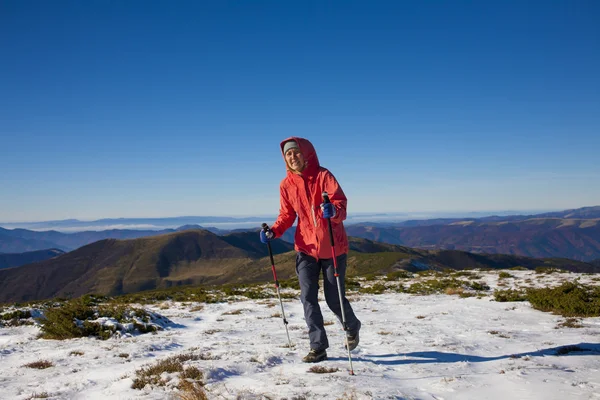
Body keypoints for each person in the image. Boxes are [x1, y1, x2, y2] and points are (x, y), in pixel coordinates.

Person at [260, 137, 361, 363]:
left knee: (334, 298)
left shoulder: (324, 176)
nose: (293, 157)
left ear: (306, 154)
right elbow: (287, 215)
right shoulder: (286, 185)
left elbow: (341, 206)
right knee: (308, 297)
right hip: (305, 248)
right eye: (288, 154)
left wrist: (333, 211)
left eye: (296, 152)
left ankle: (352, 326)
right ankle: (318, 346)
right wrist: (274, 231)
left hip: (332, 246)